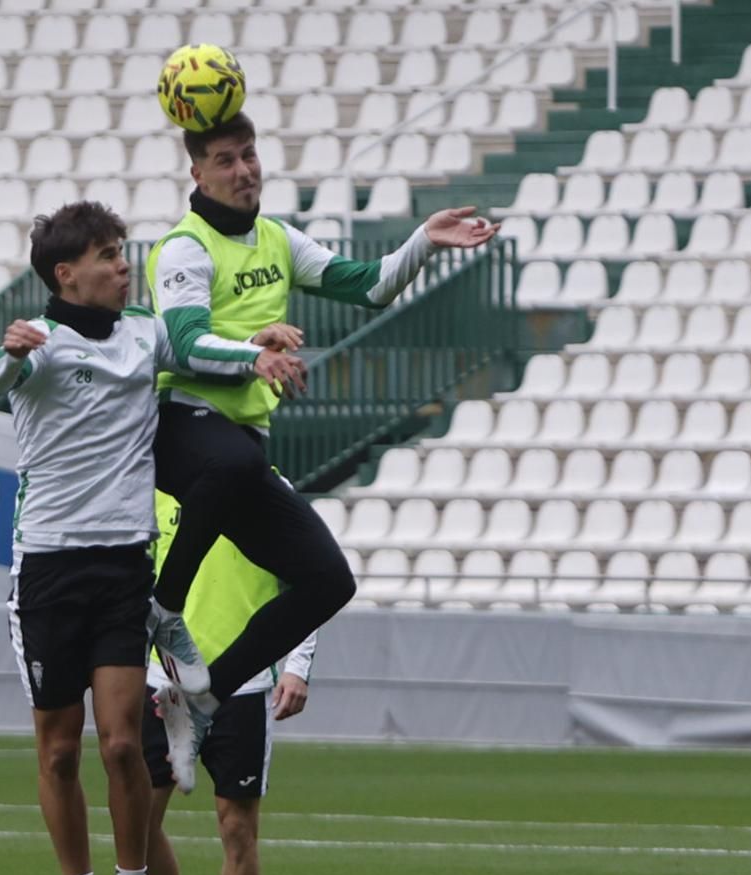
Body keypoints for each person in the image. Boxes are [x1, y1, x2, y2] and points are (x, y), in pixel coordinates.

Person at [0, 202, 294, 875]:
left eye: (124, 252)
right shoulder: (40, 346)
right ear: (67, 274)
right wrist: (11, 351)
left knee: (123, 743)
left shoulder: (146, 332)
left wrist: (252, 349)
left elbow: (197, 350)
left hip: (124, 563)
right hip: (49, 568)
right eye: (109, 255)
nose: (125, 266)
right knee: (58, 753)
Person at [147, 110, 498, 740]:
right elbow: (186, 342)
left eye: (249, 154)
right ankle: (163, 607)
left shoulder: (279, 240)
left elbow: (371, 286)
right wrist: (255, 353)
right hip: (184, 431)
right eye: (225, 160)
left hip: (238, 449)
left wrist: (423, 238)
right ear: (197, 172)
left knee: (328, 581)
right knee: (237, 461)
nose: (244, 169)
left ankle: (200, 702)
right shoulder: (184, 246)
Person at [130, 483, 315, 875]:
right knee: (138, 820)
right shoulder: (155, 492)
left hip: (244, 683)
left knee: (237, 828)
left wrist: (297, 665)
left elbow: (306, 580)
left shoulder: (269, 489)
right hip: (162, 681)